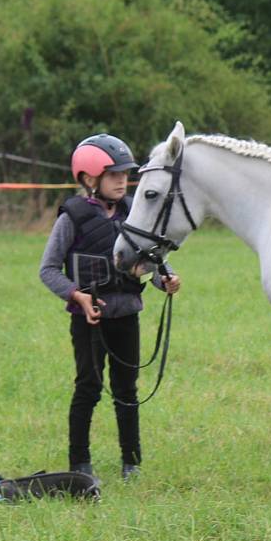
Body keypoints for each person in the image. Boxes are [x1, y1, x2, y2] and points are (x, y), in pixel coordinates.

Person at [39, 133, 181, 481]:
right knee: (88, 387)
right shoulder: (71, 217)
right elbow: (47, 269)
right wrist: (76, 295)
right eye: (114, 174)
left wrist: (167, 280)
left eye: (125, 174)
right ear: (90, 179)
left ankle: (131, 462)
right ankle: (79, 464)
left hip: (127, 315)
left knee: (126, 390)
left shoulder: (136, 212)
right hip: (89, 319)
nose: (123, 180)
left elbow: (152, 261)